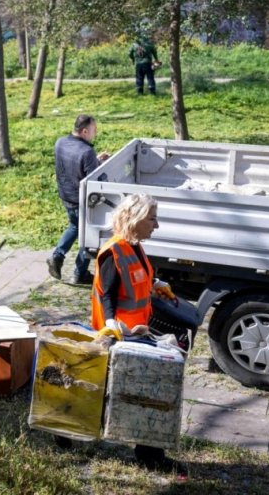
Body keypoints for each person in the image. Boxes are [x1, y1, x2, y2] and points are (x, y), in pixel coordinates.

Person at [90, 193, 187, 476]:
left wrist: (156, 284)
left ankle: (70, 430)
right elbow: (106, 292)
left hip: (136, 333)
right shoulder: (113, 251)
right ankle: (150, 455)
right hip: (121, 336)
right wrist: (110, 324)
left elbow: (133, 279)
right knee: (145, 390)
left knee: (120, 392)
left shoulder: (134, 247)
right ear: (136, 219)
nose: (156, 225)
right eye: (152, 219)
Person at [48, 114, 108, 284]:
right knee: (89, 234)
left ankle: (57, 256)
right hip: (81, 200)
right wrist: (101, 165)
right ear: (84, 131)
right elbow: (93, 180)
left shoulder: (60, 142)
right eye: (94, 130)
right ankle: (79, 273)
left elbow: (74, 166)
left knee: (75, 226)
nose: (95, 133)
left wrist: (95, 161)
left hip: (66, 195)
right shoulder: (87, 151)